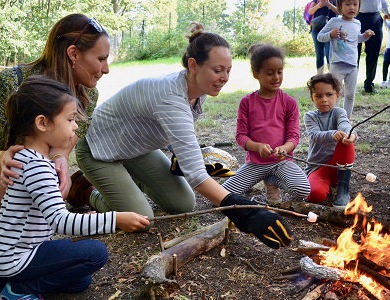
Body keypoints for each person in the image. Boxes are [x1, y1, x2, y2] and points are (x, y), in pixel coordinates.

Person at [76, 23, 293, 249]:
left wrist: (187, 157)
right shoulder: (171, 97)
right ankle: (86, 191)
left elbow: (175, 135)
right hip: (99, 149)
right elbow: (197, 177)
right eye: (218, 70)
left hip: (136, 149)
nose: (224, 77)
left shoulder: (199, 90)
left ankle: (125, 182)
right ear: (193, 65)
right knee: (142, 220)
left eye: (228, 70)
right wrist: (245, 213)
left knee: (183, 203)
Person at [0, 14, 110, 300]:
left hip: (31, 178)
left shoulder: (88, 93)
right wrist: (3, 159)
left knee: (79, 278)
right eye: (101, 59)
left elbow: (65, 142)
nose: (106, 69)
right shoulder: (12, 81)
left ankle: (11, 277)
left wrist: (61, 160)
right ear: (73, 53)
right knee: (10, 173)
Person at [0, 76, 150, 300]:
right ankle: (19, 290)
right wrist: (115, 219)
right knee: (96, 254)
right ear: (42, 123)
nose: (75, 126)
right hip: (15, 258)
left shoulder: (25, 157)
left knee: (80, 280)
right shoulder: (38, 167)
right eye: (69, 120)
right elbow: (61, 221)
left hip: (2, 255)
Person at [221, 44, 310, 205]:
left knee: (303, 190)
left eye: (280, 72)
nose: (276, 77)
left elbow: (294, 137)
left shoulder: (289, 102)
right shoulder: (247, 102)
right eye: (270, 73)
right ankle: (251, 181)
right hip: (255, 164)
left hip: (281, 163)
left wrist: (285, 148)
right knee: (221, 196)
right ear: (256, 74)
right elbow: (241, 136)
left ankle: (273, 181)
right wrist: (258, 147)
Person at [304, 73, 358, 208]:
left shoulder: (339, 112)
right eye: (318, 96)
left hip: (339, 166)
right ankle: (326, 183)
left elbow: (345, 125)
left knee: (346, 140)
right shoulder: (310, 116)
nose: (324, 100)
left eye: (329, 95)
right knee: (315, 195)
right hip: (318, 167)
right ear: (312, 98)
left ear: (337, 96)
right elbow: (315, 135)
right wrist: (332, 134)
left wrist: (351, 135)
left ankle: (343, 187)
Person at [318, 0, 375, 118]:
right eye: (347, 4)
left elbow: (356, 38)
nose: (351, 7)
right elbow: (320, 37)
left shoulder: (357, 23)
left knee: (350, 94)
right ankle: (334, 118)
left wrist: (365, 36)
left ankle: (345, 120)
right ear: (339, 6)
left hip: (353, 65)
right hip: (337, 64)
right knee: (334, 93)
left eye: (355, 4)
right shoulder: (334, 21)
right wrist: (330, 35)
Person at [356, 0, 390, 94]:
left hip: (375, 19)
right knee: (354, 53)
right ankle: (351, 83)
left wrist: (388, 13)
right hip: (357, 17)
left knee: (373, 53)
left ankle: (369, 84)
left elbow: (383, 2)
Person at [308, 0, 339, 75]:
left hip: (330, 30)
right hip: (317, 29)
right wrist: (319, 5)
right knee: (319, 54)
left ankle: (332, 76)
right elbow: (310, 11)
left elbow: (339, 11)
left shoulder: (335, 1)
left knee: (329, 54)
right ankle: (319, 75)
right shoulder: (317, 1)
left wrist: (329, 5)